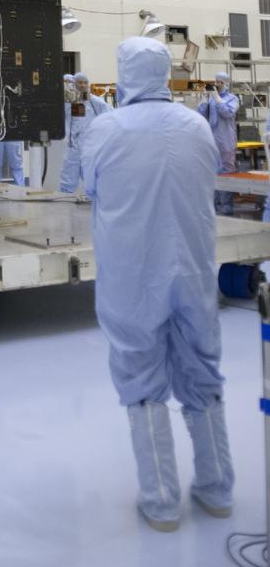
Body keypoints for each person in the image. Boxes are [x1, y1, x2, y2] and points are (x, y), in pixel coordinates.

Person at [82, 36, 234, 532]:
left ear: (125, 73)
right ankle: (217, 491)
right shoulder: (195, 126)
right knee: (203, 372)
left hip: (133, 274)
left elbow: (91, 188)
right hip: (192, 268)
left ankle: (162, 503)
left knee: (142, 380)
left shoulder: (106, 129)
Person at [59, 71, 111, 193]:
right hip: (73, 147)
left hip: (90, 147)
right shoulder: (69, 102)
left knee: (91, 177)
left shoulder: (95, 102)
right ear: (74, 84)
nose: (83, 85)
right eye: (79, 83)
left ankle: (93, 199)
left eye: (85, 82)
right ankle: (65, 198)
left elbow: (110, 115)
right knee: (68, 177)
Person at [197, 72, 239, 215]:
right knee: (211, 171)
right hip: (211, 139)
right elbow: (200, 115)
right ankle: (212, 206)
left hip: (226, 140)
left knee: (227, 172)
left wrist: (217, 98)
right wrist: (205, 99)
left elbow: (228, 113)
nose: (217, 84)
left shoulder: (233, 98)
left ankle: (226, 206)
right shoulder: (210, 98)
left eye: (220, 82)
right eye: (216, 81)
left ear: (226, 83)